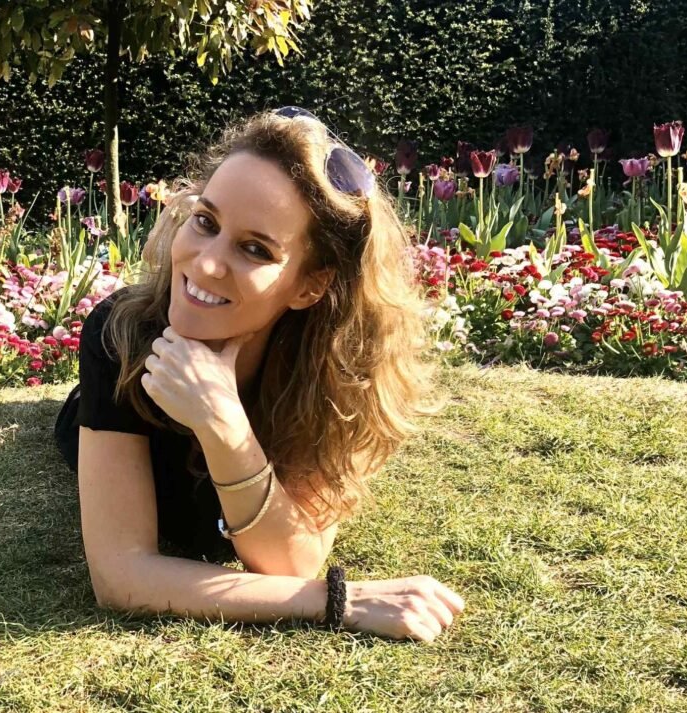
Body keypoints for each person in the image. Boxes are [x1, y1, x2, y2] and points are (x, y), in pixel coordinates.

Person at [53, 107, 465, 642]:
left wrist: (223, 422)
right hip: (87, 418)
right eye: (206, 222)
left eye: (255, 249)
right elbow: (121, 575)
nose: (205, 265)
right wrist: (340, 600)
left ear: (310, 285)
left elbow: (292, 562)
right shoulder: (121, 335)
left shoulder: (346, 372)